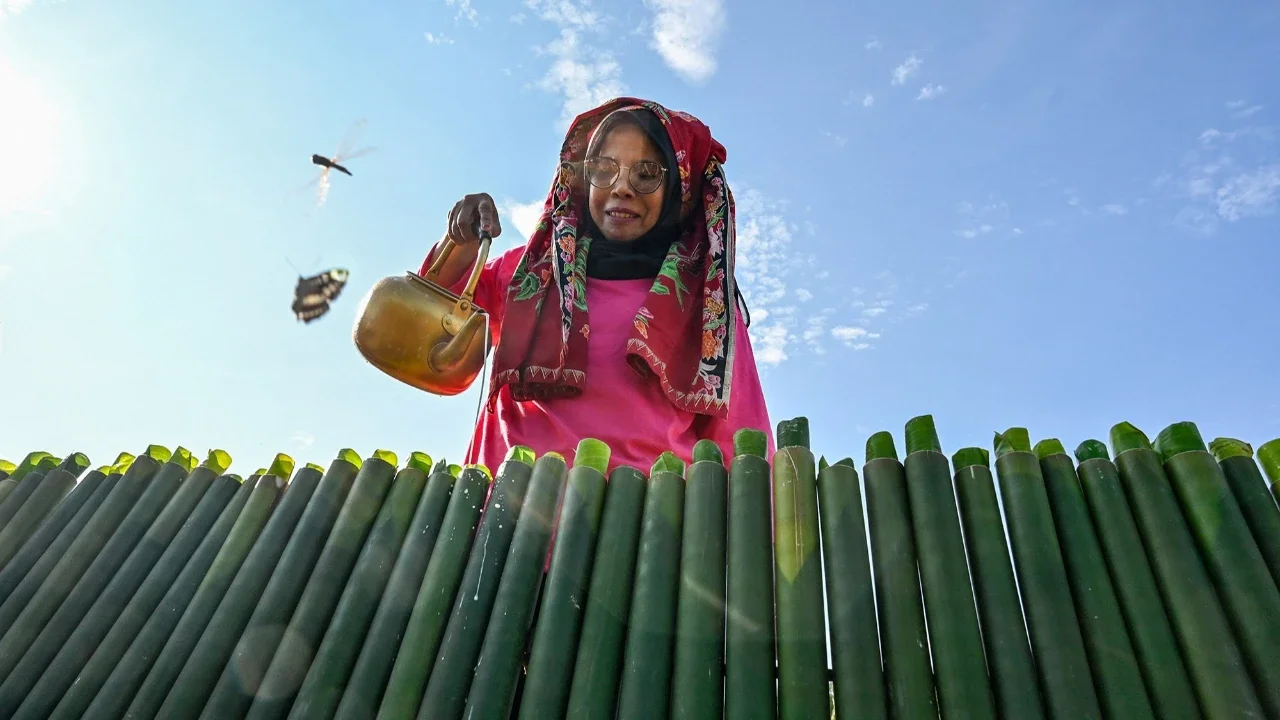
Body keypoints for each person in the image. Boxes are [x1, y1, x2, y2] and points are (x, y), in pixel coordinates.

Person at [420, 97, 775, 473]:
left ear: (679, 189)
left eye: (647, 173)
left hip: (649, 523)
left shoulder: (708, 305)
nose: (621, 187)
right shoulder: (530, 272)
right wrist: (461, 242)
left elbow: (744, 449)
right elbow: (427, 337)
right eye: (604, 169)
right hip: (501, 515)